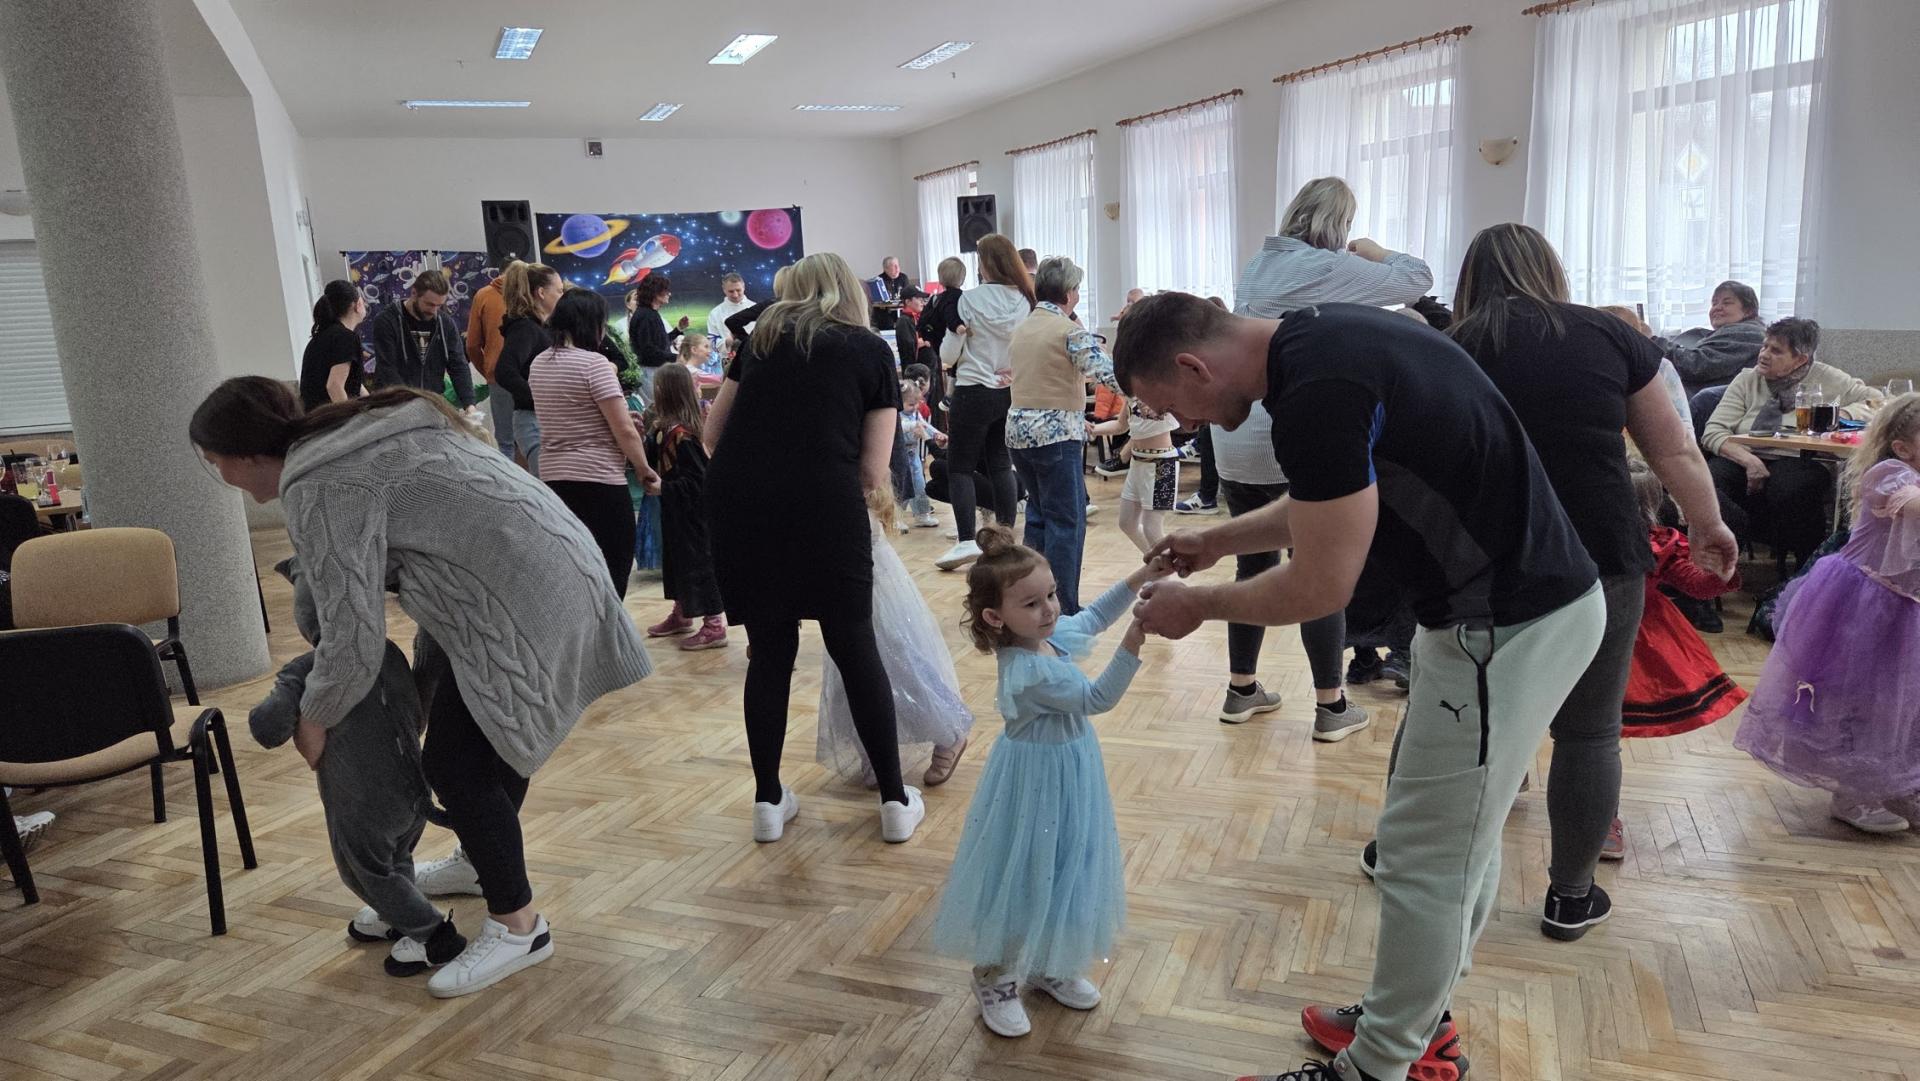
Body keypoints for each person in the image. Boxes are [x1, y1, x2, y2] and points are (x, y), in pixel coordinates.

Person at [1115, 293, 1605, 1081]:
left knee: (1427, 857)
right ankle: (1413, 1018)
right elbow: (1332, 500)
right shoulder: (1321, 338)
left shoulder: (1317, 391)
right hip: (1500, 618)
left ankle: (1377, 1065)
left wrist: (1197, 607)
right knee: (1446, 841)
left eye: (1175, 406)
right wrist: (1218, 540)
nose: (1186, 424)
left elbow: (1321, 584)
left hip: (1506, 627)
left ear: (1192, 365)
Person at [189, 378, 651, 998]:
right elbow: (440, 563)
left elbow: (352, 638)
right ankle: (480, 866)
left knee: (456, 765)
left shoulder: (320, 482)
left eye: (213, 460)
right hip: (549, 571)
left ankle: (520, 927)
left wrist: (314, 720)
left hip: (524, 595)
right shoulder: (355, 435)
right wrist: (423, 691)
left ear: (245, 455)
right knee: (488, 747)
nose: (218, 474)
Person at [1445, 224, 1737, 940]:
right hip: (1599, 553)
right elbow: (1674, 447)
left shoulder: (1450, 346)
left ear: (1470, 278)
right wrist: (1708, 524)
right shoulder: (1608, 336)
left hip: (1482, 560)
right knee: (1588, 731)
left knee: (1452, 715)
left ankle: (1403, 855)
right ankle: (1570, 897)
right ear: (1552, 270)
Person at [704, 252, 923, 844]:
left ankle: (767, 801)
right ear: (850, 290)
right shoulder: (869, 350)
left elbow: (711, 435)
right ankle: (894, 801)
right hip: (825, 504)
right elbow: (873, 471)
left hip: (741, 507)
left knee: (769, 653)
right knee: (854, 645)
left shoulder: (758, 343)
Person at [931, 525, 1169, 1038]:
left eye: (1052, 594)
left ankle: (1048, 961)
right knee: (1025, 871)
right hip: (1033, 783)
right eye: (1033, 603)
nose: (1050, 609)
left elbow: (1093, 617)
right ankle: (994, 975)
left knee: (1066, 862)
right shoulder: (1028, 672)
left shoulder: (1044, 638)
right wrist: (1136, 637)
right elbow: (1097, 699)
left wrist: (1142, 574)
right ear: (995, 618)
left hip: (1071, 772)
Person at [249, 557, 465, 978]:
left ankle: (435, 936)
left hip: (363, 801)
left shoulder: (307, 668)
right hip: (413, 790)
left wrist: (283, 703)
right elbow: (417, 712)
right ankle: (396, 915)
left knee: (364, 870)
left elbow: (268, 728)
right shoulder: (390, 653)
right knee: (397, 855)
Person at [1734, 393, 1920, 832]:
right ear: (1902, 448)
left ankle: (1899, 783)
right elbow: (1912, 505)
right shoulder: (1889, 475)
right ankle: (1854, 795)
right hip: (1866, 604)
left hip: (1908, 608)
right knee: (1863, 701)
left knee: (1905, 704)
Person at [817, 489, 973, 787]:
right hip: (831, 572)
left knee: (899, 657)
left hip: (866, 567)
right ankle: (873, 746)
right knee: (846, 667)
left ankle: (950, 732)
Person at [1703, 317, 1877, 567]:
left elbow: (1877, 402)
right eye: (1764, 346)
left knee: (1792, 488)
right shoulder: (1747, 379)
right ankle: (1723, 562)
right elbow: (1713, 432)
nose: (1764, 354)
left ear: (1800, 359)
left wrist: (1841, 415)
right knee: (1709, 480)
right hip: (1744, 455)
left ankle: (1805, 570)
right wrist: (1749, 460)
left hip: (1799, 457)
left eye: (1776, 351)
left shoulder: (1828, 378)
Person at [528, 288, 660, 596]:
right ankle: (608, 628)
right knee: (613, 569)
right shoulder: (594, 364)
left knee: (574, 570)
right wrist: (643, 469)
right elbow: (624, 430)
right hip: (599, 479)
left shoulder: (539, 364)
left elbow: (570, 413)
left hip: (554, 478)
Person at [1004, 256, 1116, 612]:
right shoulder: (1068, 331)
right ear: (1069, 293)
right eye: (1077, 290)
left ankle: (1031, 601)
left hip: (1018, 434)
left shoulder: (1023, 328)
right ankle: (1063, 608)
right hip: (1055, 437)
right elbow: (1108, 374)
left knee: (1037, 516)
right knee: (1067, 523)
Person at [1621, 461, 1747, 742]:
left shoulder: (1658, 545)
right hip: (1601, 624)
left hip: (1640, 632)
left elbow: (1696, 586)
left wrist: (1721, 574)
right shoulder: (1584, 537)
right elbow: (1697, 587)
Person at [935, 234, 1033, 571]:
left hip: (972, 390)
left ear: (986, 263)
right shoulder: (1025, 299)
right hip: (1007, 391)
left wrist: (949, 349)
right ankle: (1005, 537)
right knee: (1001, 464)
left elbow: (949, 354)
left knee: (959, 468)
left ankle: (966, 540)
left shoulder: (969, 299)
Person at [642, 363, 728, 651]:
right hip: (676, 513)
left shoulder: (684, 435)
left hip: (693, 517)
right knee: (677, 562)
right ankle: (682, 613)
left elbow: (698, 482)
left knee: (698, 565)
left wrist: (665, 488)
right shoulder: (664, 429)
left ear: (667, 391)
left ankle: (714, 625)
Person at [489, 263, 563, 475]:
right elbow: (504, 371)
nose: (562, 296)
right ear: (541, 293)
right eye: (559, 291)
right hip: (534, 420)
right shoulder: (525, 328)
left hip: (542, 419)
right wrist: (540, 399)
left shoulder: (540, 327)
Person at [369, 269, 475, 409]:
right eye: (429, 304)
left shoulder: (445, 323)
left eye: (439, 305)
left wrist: (469, 404)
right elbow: (387, 368)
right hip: (394, 403)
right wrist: (410, 404)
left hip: (431, 402)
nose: (434, 311)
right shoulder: (387, 321)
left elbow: (458, 365)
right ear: (414, 293)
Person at [1654, 280, 1768, 397]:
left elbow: (1696, 365)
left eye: (1727, 303)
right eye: (1714, 303)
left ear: (1748, 311)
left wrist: (1653, 342)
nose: (1717, 308)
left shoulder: (1747, 333)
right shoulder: (1725, 333)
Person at [1101, 396, 1177, 556]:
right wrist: (1091, 429)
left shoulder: (1163, 392)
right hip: (1137, 462)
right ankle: (1159, 562)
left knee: (1151, 528)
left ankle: (1169, 567)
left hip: (1161, 464)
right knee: (1127, 523)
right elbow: (1120, 426)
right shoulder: (1131, 395)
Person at [467, 262, 522, 455]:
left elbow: (472, 344)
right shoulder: (533, 292)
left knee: (505, 441)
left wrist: (489, 371)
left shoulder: (483, 295)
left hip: (499, 376)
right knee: (539, 436)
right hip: (533, 375)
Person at [300, 280, 366, 411]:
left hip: (313, 416)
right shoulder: (346, 337)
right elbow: (334, 386)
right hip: (331, 418)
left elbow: (355, 385)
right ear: (358, 305)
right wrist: (351, 419)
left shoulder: (318, 338)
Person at [899, 366, 946, 529]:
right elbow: (900, 426)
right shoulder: (897, 414)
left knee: (919, 484)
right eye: (910, 404)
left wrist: (937, 434)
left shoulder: (915, 413)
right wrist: (913, 426)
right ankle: (896, 517)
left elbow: (925, 425)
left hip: (914, 455)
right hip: (899, 456)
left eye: (917, 404)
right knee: (901, 486)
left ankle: (922, 514)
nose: (914, 407)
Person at [626, 274, 678, 372]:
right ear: (655, 292)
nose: (669, 294)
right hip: (651, 371)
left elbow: (659, 342)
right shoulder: (646, 316)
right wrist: (677, 357)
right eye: (666, 290)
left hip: (655, 370)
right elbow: (648, 350)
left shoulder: (649, 314)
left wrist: (678, 329)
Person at [706, 273, 753, 359]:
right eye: (731, 291)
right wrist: (727, 342)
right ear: (724, 290)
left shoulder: (755, 308)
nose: (735, 295)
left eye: (738, 290)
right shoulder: (715, 313)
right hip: (728, 360)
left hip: (753, 358)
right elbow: (711, 342)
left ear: (744, 287)